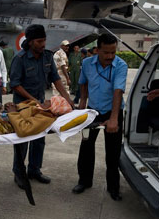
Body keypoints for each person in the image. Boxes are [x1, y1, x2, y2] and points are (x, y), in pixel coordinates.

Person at [10, 24, 74, 188]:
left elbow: (55, 78)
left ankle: (34, 170)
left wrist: (67, 99)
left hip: (41, 104)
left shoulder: (47, 56)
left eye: (44, 40)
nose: (43, 44)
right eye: (39, 41)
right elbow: (16, 85)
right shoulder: (20, 59)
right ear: (30, 42)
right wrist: (34, 101)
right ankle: (19, 173)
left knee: (39, 138)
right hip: (23, 105)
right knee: (22, 139)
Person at [73, 34, 127, 202]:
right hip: (92, 111)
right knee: (86, 147)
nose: (110, 56)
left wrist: (113, 119)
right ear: (97, 50)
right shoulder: (87, 63)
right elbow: (83, 82)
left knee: (112, 152)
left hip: (113, 111)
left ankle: (113, 187)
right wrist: (83, 101)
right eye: (106, 52)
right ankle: (84, 181)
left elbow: (118, 91)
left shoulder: (120, 65)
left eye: (113, 52)